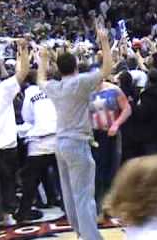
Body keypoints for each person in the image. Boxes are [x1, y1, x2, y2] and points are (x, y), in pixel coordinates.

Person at [37, 27, 112, 240]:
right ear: (76, 66)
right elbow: (107, 69)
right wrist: (104, 42)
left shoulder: (55, 87)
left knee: (69, 194)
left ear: (59, 70)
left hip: (60, 143)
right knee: (84, 196)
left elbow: (40, 79)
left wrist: (42, 59)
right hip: (78, 142)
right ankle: (90, 237)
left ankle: (79, 232)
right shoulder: (80, 82)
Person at [0, 40, 29, 235]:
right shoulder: (3, 90)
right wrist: (23, 50)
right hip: (8, 144)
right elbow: (23, 72)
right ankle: (7, 214)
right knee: (8, 179)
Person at [16, 70, 59, 223]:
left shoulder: (30, 92)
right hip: (58, 138)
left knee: (30, 180)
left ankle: (24, 213)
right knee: (65, 178)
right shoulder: (59, 87)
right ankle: (70, 208)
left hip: (38, 141)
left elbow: (27, 117)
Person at [89, 77, 132, 220]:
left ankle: (111, 205)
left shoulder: (113, 90)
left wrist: (117, 123)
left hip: (111, 134)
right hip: (94, 135)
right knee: (97, 172)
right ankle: (99, 208)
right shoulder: (86, 92)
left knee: (112, 169)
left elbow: (127, 108)